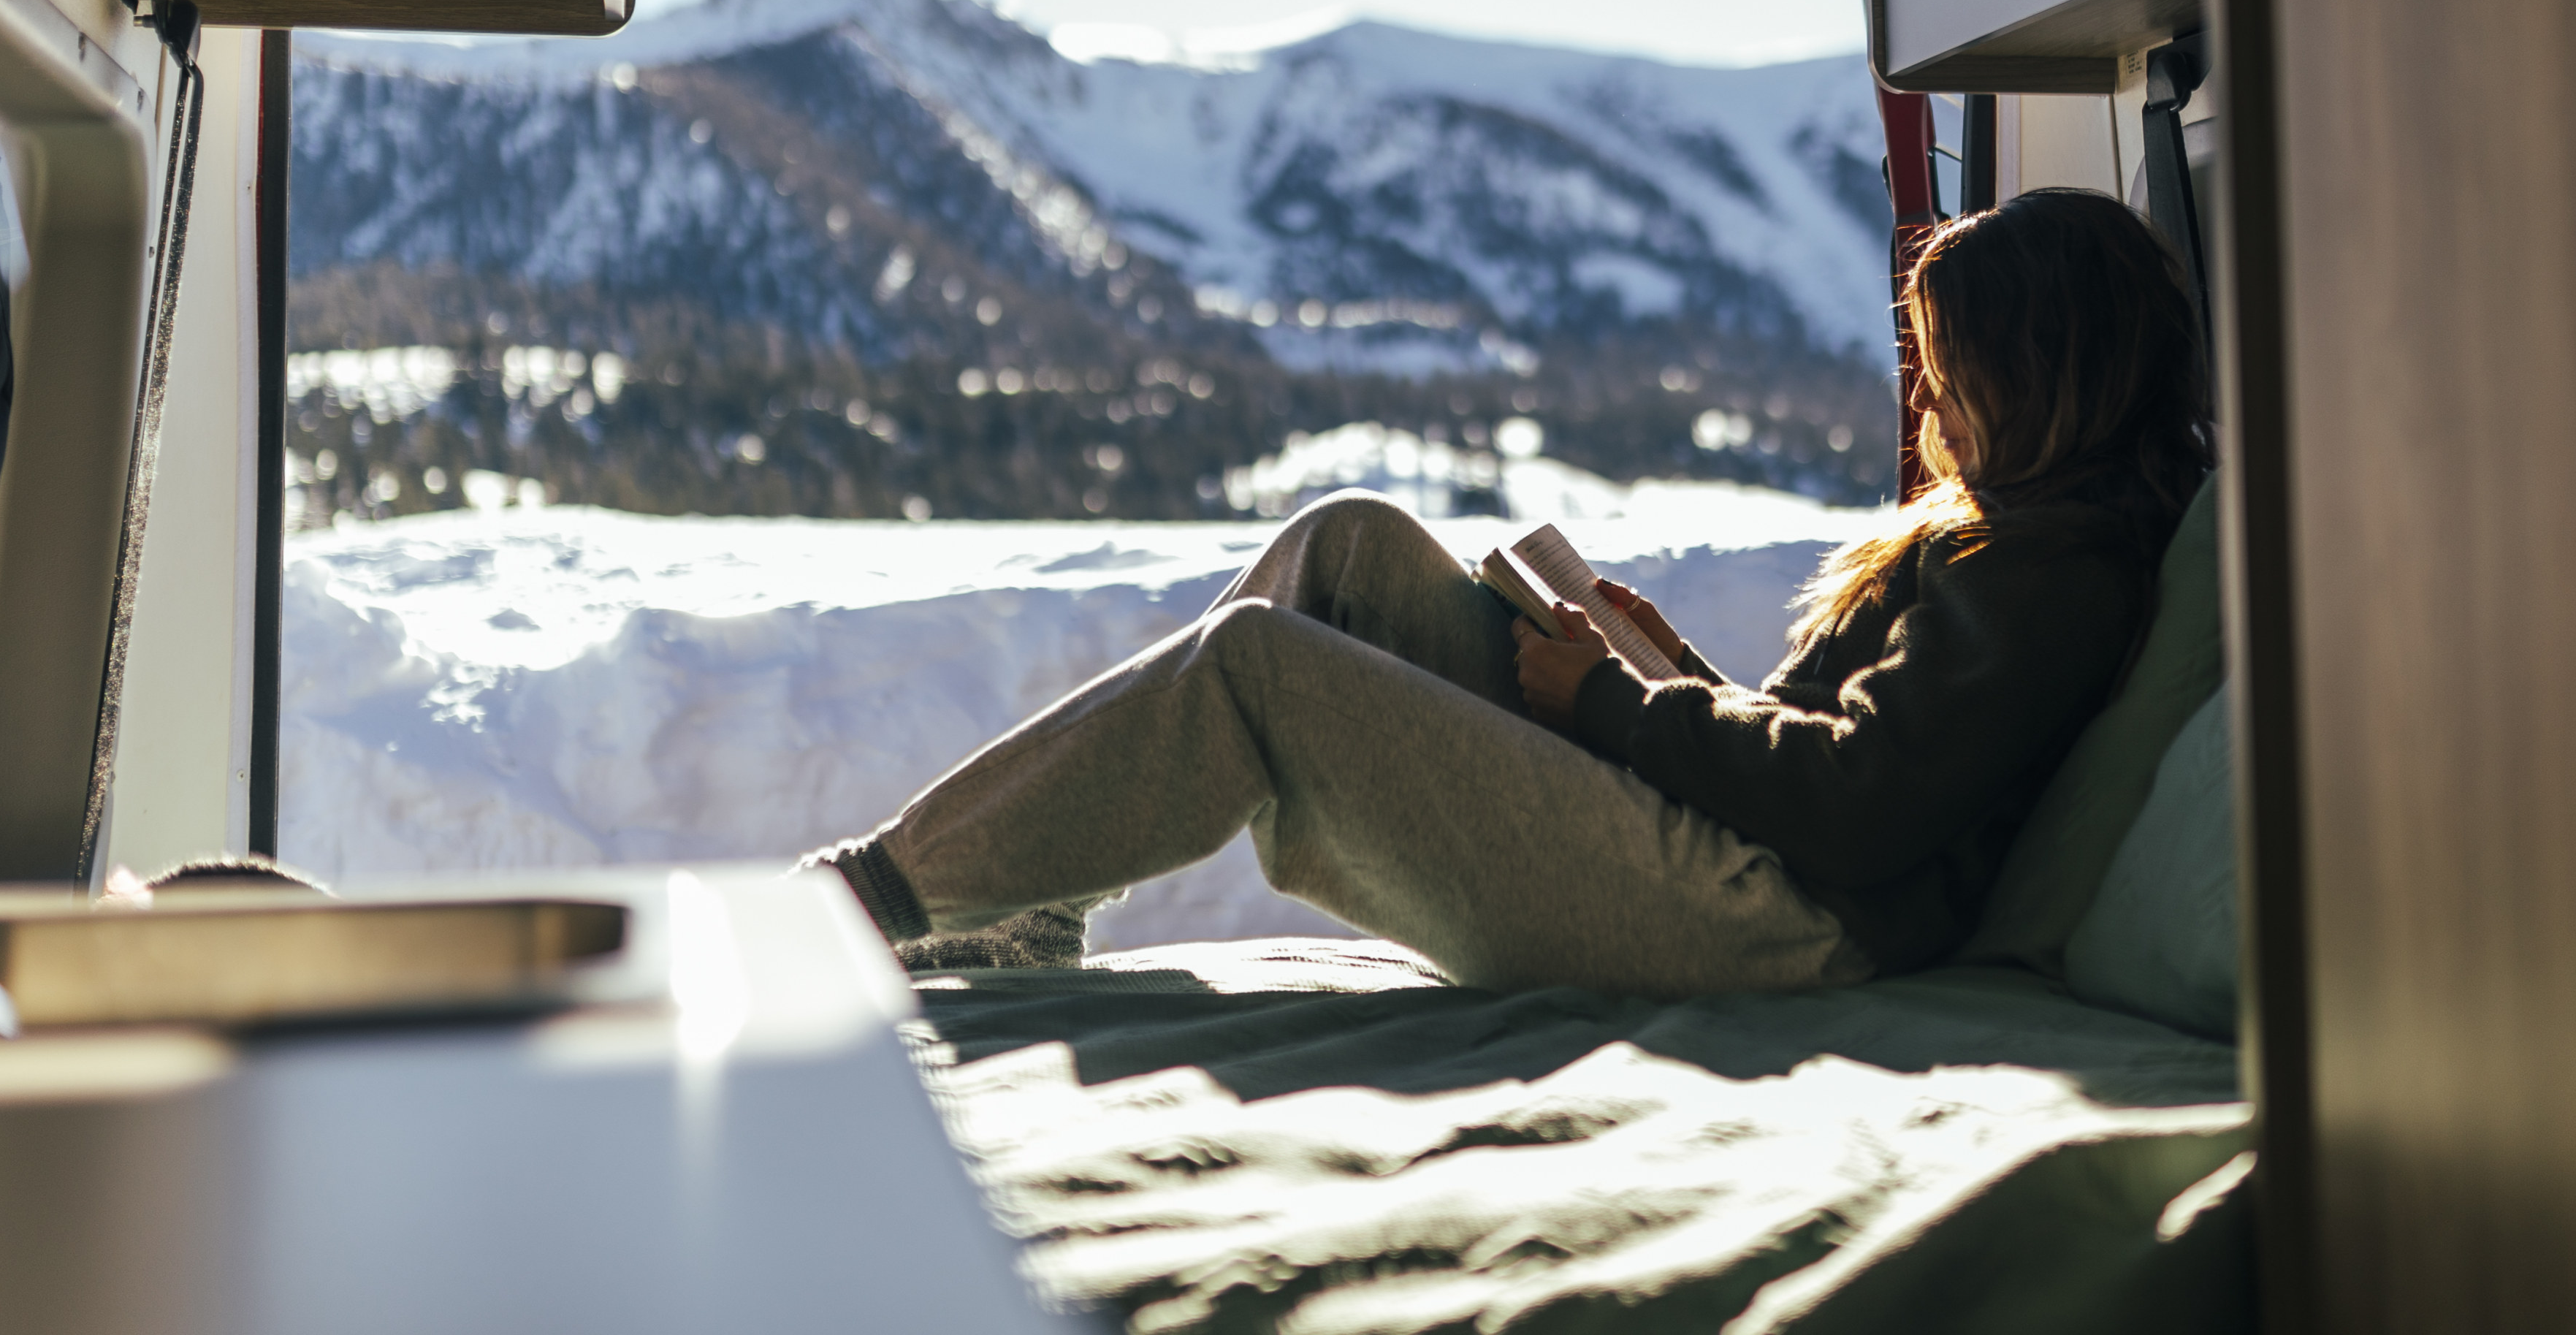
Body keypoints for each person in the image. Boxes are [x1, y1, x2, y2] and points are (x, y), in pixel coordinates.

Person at [804, 188, 2212, 998]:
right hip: (1768, 868)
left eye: (1959, 378)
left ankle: (880, 901)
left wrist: (1616, 705)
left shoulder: (2056, 574)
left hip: (1789, 932)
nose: (1936, 405)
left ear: (2047, 376)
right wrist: (1675, 681)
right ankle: (1026, 906)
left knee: (1256, 666)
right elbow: (1857, 759)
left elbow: (1863, 810)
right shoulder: (2012, 541)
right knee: (1350, 543)